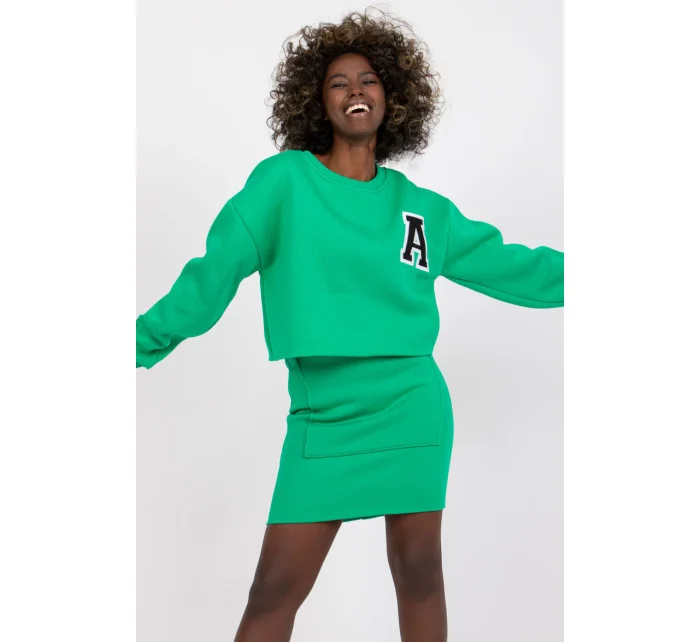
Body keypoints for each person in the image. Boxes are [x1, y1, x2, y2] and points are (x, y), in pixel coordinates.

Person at [136, 8, 564, 642]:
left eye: (369, 80)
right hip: (324, 414)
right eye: (338, 82)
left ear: (393, 98)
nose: (356, 91)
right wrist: (137, 342)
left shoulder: (421, 210)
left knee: (420, 574)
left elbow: (514, 267)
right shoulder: (282, 184)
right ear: (318, 101)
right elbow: (211, 276)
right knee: (273, 591)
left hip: (412, 407)